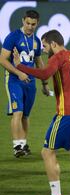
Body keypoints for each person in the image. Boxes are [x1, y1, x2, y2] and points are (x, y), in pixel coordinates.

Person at [13, 30, 70, 195]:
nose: (43, 50)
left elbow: (44, 74)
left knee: (47, 152)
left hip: (67, 114)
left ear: (53, 44)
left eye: (44, 45)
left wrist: (20, 66)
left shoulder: (58, 57)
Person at [0, 10, 50, 158]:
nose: (30, 26)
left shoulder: (36, 41)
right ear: (23, 21)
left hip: (30, 81)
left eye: (33, 24)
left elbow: (39, 61)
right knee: (18, 112)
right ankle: (17, 146)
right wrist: (19, 73)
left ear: (37, 24)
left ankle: (23, 143)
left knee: (26, 116)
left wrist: (45, 83)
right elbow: (2, 59)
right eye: (27, 23)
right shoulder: (13, 37)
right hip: (14, 80)